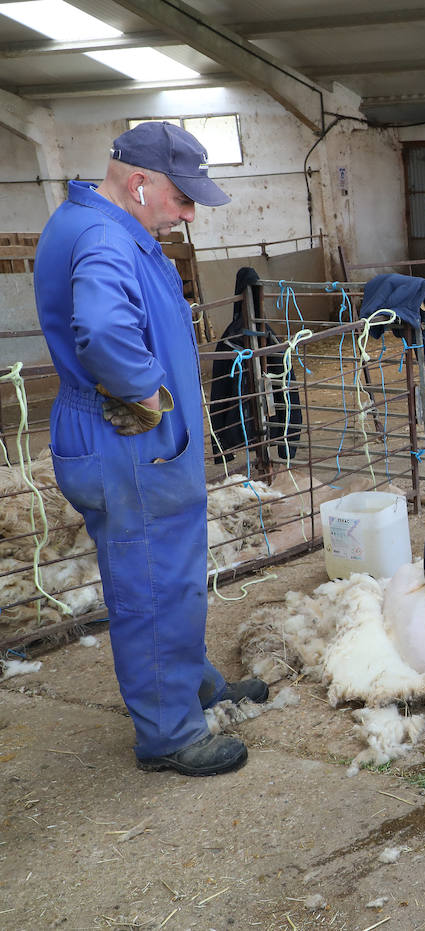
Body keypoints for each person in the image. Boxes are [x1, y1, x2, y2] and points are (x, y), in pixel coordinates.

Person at [34, 121, 268, 777]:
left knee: (169, 575)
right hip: (127, 443)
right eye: (182, 198)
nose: (189, 214)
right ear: (139, 183)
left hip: (129, 442)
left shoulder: (98, 223)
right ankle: (169, 733)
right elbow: (104, 329)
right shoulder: (107, 237)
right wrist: (150, 398)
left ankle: (188, 682)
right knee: (152, 585)